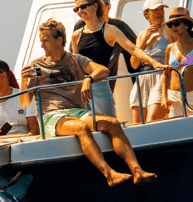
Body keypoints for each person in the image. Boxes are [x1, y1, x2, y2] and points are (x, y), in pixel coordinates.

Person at [22, 19, 156, 187]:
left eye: (45, 40)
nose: (42, 45)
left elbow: (104, 70)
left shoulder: (76, 60)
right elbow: (25, 102)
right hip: (51, 116)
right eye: (41, 40)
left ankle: (138, 171)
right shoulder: (37, 65)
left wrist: (88, 79)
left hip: (76, 111)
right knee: (80, 127)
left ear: (59, 40)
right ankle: (109, 174)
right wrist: (24, 80)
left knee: (113, 123)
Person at [70, 0, 164, 117]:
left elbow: (133, 49)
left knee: (108, 126)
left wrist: (153, 61)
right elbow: (75, 65)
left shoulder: (110, 30)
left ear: (95, 6)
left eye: (83, 6)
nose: (80, 11)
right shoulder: (76, 35)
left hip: (101, 86)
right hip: (82, 90)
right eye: (77, 9)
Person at [130, 0, 171, 123]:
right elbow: (134, 64)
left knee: (152, 120)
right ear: (146, 14)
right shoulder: (142, 34)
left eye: (161, 9)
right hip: (143, 79)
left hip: (161, 77)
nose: (160, 12)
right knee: (136, 123)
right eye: (155, 10)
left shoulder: (169, 30)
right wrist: (144, 41)